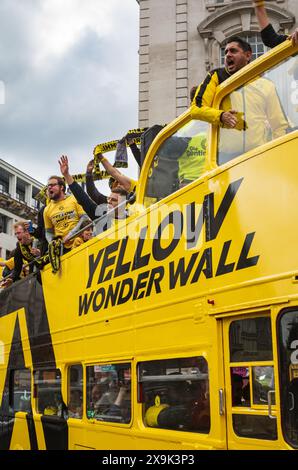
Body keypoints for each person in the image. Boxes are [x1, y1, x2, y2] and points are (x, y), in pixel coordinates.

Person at [191, 36, 288, 162]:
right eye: (225, 52)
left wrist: (279, 155)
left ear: (248, 56)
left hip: (259, 155)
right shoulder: (215, 76)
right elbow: (195, 109)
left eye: (233, 51)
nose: (228, 55)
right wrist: (220, 116)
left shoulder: (266, 84)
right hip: (224, 159)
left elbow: (279, 125)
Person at [59, 156, 129, 232]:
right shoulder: (101, 216)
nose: (109, 202)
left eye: (114, 200)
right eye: (109, 199)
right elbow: (84, 199)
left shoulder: (133, 218)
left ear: (123, 203)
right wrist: (67, 175)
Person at [43, 175, 88, 252]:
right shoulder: (46, 210)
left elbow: (84, 218)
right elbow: (48, 231)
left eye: (53, 185)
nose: (49, 187)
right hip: (62, 248)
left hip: (79, 242)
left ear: (62, 187)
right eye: (48, 186)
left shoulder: (73, 199)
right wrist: (52, 242)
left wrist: (71, 235)